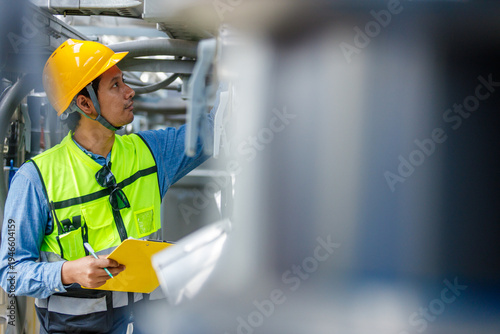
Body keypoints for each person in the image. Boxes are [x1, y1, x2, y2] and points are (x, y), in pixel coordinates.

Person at [0, 39, 214, 333]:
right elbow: (11, 273)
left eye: (124, 81)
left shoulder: (151, 153)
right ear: (85, 103)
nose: (130, 91)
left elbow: (214, 129)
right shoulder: (35, 179)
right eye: (115, 85)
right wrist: (68, 272)